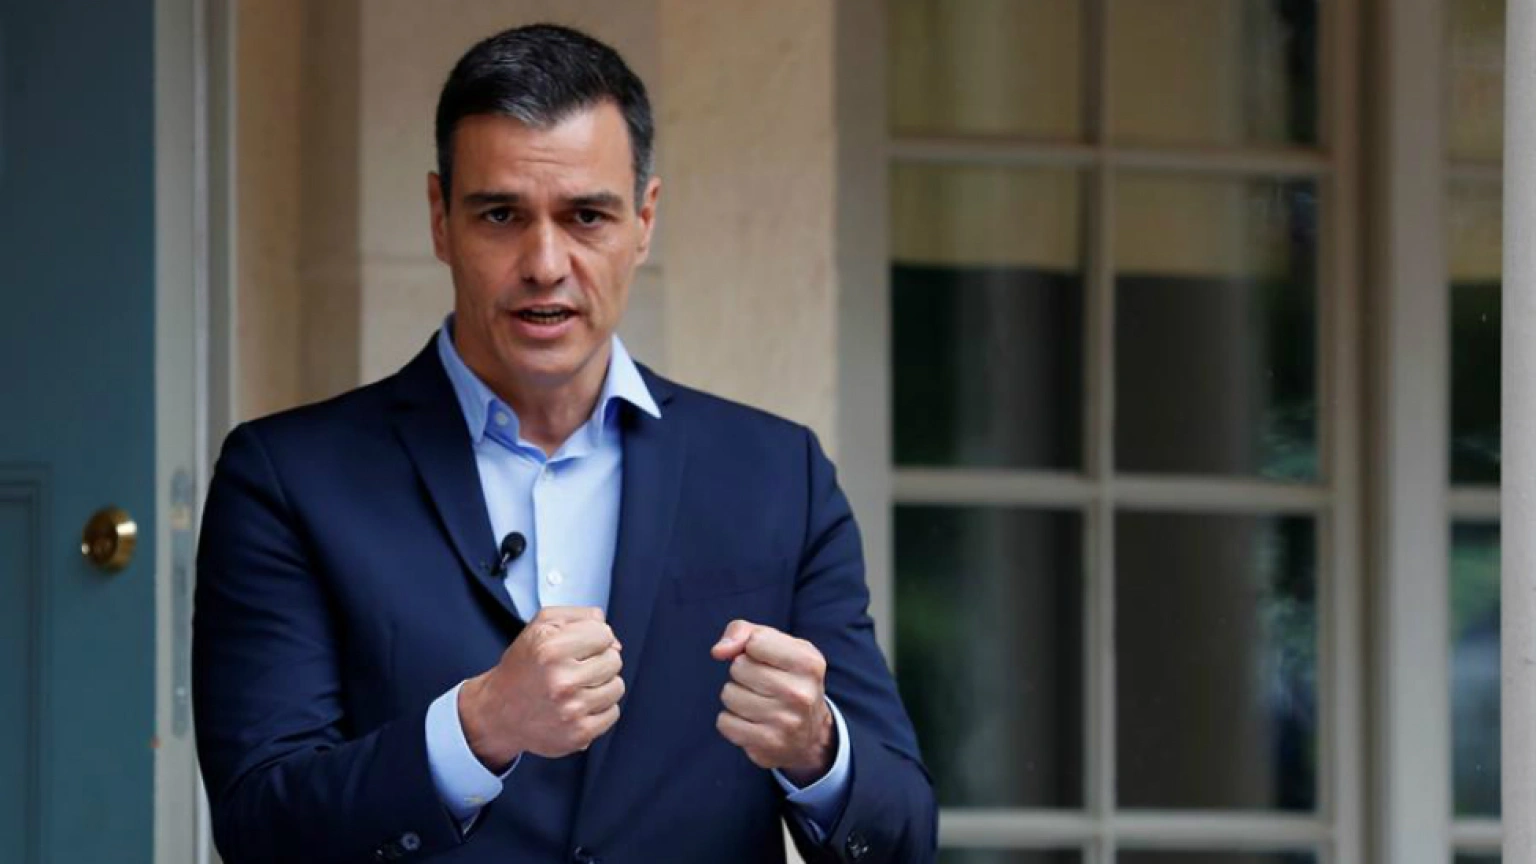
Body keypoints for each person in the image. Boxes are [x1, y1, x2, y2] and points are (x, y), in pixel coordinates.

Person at [193, 23, 935, 864]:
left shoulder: (778, 476)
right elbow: (260, 827)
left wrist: (818, 750)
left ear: (644, 221)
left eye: (586, 216)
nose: (545, 263)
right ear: (440, 220)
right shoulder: (286, 479)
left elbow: (905, 835)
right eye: (501, 214)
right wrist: (476, 728)